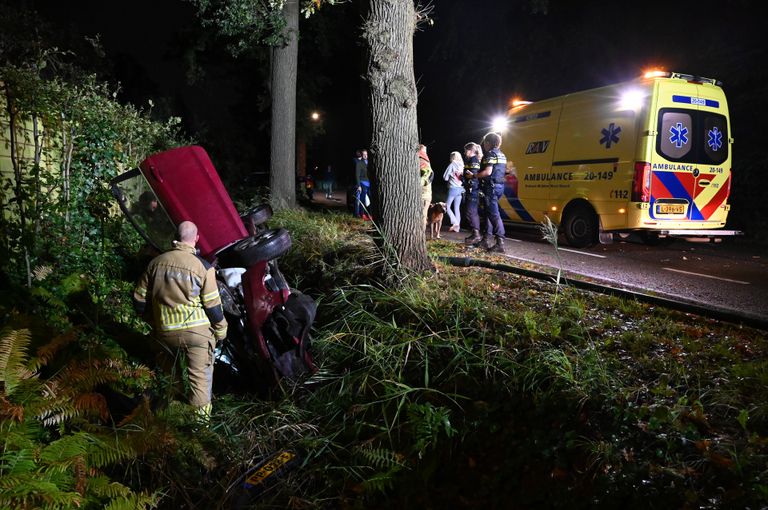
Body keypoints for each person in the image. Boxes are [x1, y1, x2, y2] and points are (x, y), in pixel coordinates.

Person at [133, 221, 228, 420]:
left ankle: (170, 420)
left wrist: (151, 321)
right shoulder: (204, 267)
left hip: (164, 333)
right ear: (197, 238)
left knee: (170, 378)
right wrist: (221, 331)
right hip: (196, 335)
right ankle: (199, 428)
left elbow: (139, 298)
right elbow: (212, 306)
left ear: (174, 237)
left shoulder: (156, 263)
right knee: (199, 381)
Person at [476, 132, 507, 253]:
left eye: (484, 143)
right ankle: (485, 239)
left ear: (488, 143)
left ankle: (500, 242)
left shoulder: (490, 154)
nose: (484, 146)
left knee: (494, 214)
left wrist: (474, 175)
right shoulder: (502, 155)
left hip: (491, 188)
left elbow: (488, 172)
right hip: (499, 186)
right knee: (489, 213)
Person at [462, 142, 483, 244]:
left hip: (472, 189)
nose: (464, 152)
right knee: (469, 211)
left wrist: (469, 181)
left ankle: (476, 235)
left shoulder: (473, 160)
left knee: (471, 211)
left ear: (470, 150)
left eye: (465, 150)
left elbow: (473, 174)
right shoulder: (471, 160)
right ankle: (475, 233)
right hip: (471, 189)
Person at [442, 151, 464, 232]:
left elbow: (445, 177)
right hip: (460, 188)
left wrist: (451, 175)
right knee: (457, 208)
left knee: (446, 206)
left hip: (453, 188)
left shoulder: (452, 165)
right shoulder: (462, 165)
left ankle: (455, 222)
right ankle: (457, 228)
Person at [418, 144, 434, 231]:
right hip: (424, 194)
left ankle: (421, 235)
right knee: (422, 216)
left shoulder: (422, 160)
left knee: (422, 216)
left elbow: (428, 175)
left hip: (423, 194)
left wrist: (420, 182)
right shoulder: (425, 159)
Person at [354, 149, 370, 219]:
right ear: (361, 155)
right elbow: (357, 175)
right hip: (363, 183)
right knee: (362, 199)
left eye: (366, 154)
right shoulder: (359, 163)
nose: (365, 156)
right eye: (364, 154)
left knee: (370, 200)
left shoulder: (370, 162)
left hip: (370, 183)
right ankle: (362, 214)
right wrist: (359, 185)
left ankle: (369, 214)